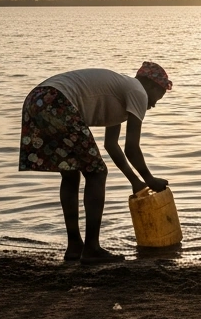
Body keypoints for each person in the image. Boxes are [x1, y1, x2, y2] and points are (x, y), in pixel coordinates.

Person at [18, 62, 173, 262]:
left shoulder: (122, 91)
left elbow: (112, 145)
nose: (153, 105)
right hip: (57, 101)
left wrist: (135, 181)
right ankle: (91, 249)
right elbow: (131, 148)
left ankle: (75, 247)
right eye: (157, 97)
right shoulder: (138, 92)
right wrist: (150, 179)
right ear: (151, 85)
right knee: (97, 173)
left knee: (71, 172)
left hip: (37, 99)